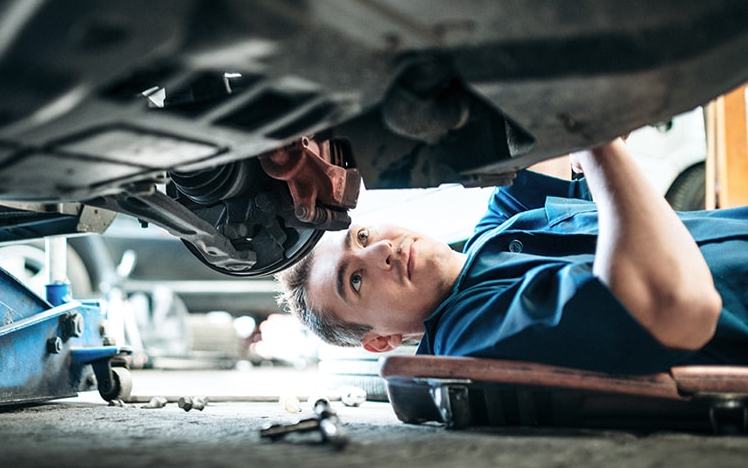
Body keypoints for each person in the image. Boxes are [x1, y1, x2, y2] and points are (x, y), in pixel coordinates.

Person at [275, 138, 748, 374]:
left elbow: (534, 140)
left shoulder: (493, 233)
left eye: (361, 236)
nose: (380, 250)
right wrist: (598, 141)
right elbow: (673, 306)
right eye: (354, 280)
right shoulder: (468, 341)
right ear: (381, 341)